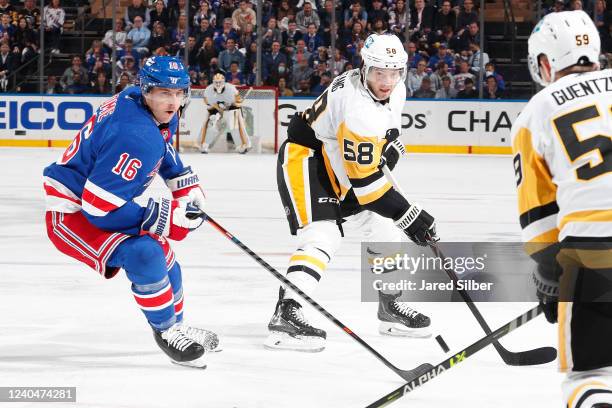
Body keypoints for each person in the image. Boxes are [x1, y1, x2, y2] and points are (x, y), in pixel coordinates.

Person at [265, 33, 437, 352]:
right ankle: (287, 312)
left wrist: (386, 149)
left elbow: (387, 133)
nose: (386, 81)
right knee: (324, 235)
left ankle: (389, 306)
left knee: (383, 225)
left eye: (393, 72)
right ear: (365, 67)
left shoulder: (394, 89)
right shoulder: (358, 107)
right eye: (378, 72)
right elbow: (368, 187)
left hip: (338, 157)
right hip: (308, 159)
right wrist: (409, 216)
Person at [42, 56, 218, 368]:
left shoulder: (138, 102)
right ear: (146, 90)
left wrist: (184, 184)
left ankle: (176, 325)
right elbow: (97, 208)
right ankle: (165, 331)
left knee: (163, 254)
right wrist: (163, 218)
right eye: (164, 93)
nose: (174, 101)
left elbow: (161, 146)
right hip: (70, 213)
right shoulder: (134, 134)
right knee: (145, 253)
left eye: (179, 93)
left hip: (96, 200)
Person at [511, 10, 612, 408]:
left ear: (546, 61)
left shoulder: (536, 111)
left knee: (588, 378)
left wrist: (552, 280)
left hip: (593, 252)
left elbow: (539, 227)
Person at [199, 73, 250, 154]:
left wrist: (230, 105)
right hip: (216, 109)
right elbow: (208, 103)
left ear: (224, 82)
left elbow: (238, 102)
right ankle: (204, 145)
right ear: (213, 82)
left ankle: (241, 146)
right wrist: (218, 108)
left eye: (220, 82)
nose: (218, 84)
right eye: (216, 82)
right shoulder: (208, 90)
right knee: (212, 123)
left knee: (233, 125)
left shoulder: (231, 89)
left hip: (231, 108)